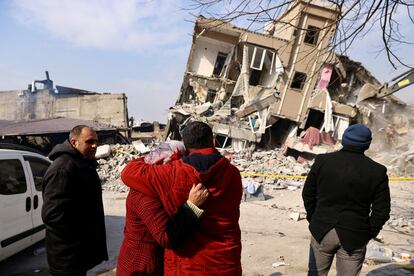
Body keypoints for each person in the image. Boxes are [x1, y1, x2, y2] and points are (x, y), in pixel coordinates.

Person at [121, 121, 243, 275]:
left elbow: (128, 173)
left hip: (188, 265)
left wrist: (148, 158)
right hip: (226, 261)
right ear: (212, 140)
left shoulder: (171, 174)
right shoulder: (233, 174)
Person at [302, 124, 391, 276]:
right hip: (355, 235)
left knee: (315, 273)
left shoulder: (323, 161)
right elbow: (381, 210)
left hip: (322, 230)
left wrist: (314, 218)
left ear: (344, 140)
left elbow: (308, 194)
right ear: (367, 144)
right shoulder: (377, 171)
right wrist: (369, 232)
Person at [117, 141, 209, 275]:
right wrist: (191, 206)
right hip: (141, 265)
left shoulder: (152, 181)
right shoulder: (145, 192)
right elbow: (165, 237)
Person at [42, 125, 108, 276]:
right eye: (89, 141)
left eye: (96, 141)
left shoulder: (81, 163)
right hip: (68, 257)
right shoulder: (63, 169)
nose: (95, 145)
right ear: (74, 143)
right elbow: (53, 215)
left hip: (79, 254)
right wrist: (80, 236)